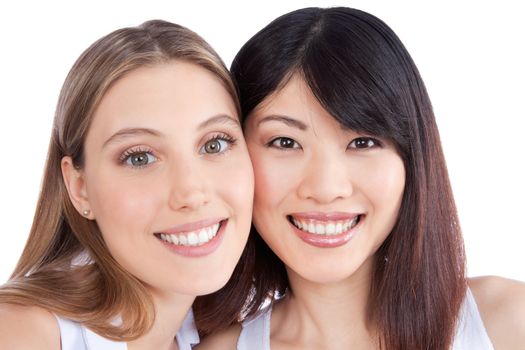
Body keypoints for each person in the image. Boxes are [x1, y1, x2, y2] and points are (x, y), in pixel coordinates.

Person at [197, 7, 525, 350]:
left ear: (411, 159)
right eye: (285, 142)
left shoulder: (510, 323)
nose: (325, 189)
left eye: (363, 142)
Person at [0, 20, 254, 350]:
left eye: (215, 144)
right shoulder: (22, 333)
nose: (191, 193)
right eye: (139, 158)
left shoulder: (219, 336)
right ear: (80, 187)